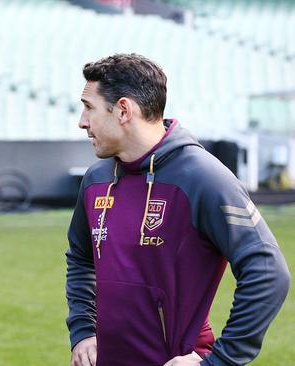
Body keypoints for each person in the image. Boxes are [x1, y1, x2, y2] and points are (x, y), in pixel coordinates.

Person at [65, 53, 290, 366]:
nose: (82, 121)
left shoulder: (203, 178)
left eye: (89, 107)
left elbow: (267, 272)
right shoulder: (95, 179)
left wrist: (220, 362)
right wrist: (83, 329)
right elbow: (80, 257)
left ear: (123, 110)